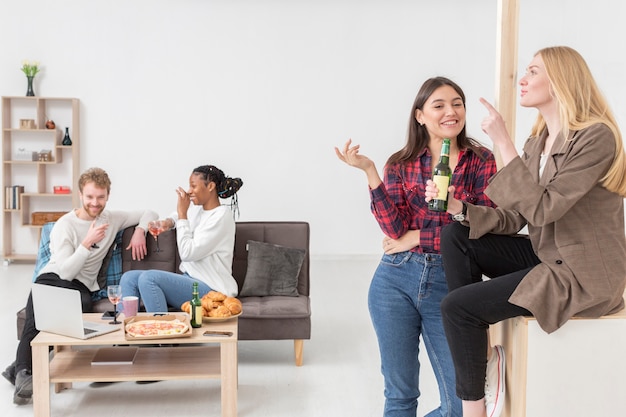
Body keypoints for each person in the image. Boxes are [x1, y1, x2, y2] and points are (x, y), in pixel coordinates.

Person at [431, 46, 626, 417]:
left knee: (457, 307)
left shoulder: (596, 138)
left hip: (581, 273)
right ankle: (481, 356)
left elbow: (545, 207)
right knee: (456, 236)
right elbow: (517, 216)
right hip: (547, 254)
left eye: (533, 72)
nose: (523, 79)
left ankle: (472, 410)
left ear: (561, 80)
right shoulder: (538, 142)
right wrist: (459, 209)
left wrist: (503, 143)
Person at [335, 76, 497, 417]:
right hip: (394, 280)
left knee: (460, 407)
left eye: (457, 103)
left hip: (451, 284)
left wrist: (418, 236)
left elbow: (487, 228)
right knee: (400, 397)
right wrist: (369, 173)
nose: (450, 112)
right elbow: (394, 230)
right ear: (420, 116)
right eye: (438, 105)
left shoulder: (481, 161)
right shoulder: (401, 163)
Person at [3, 167, 158, 405]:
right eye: (90, 197)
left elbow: (149, 211)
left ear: (107, 195)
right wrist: (86, 243)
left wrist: (140, 230)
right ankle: (24, 376)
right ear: (80, 195)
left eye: (100, 197)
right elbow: (65, 271)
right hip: (53, 278)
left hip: (81, 288)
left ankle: (18, 369)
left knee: (69, 315)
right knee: (36, 323)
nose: (95, 203)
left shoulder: (111, 219)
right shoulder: (65, 225)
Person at [120, 165, 243, 313]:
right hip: (190, 280)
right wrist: (167, 223)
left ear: (210, 186)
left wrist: (182, 213)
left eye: (193, 186)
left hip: (211, 288)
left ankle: (161, 329)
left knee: (149, 278)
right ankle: (125, 327)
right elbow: (176, 216)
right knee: (129, 278)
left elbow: (187, 253)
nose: (189, 191)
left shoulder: (221, 215)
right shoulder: (197, 209)